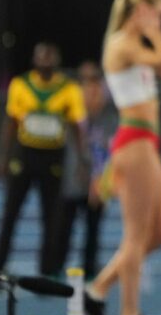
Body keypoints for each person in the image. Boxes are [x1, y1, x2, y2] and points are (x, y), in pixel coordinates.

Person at [84, 0, 161, 315]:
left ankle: (96, 291)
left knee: (158, 234)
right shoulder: (121, 44)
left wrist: (155, 35)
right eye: (155, 12)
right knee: (136, 235)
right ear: (140, 9)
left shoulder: (138, 45)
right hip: (134, 142)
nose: (159, 21)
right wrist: (156, 34)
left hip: (147, 142)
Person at [0, 42, 87, 285]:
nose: (45, 61)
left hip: (53, 157)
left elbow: (77, 128)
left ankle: (47, 272)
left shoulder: (69, 89)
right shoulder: (20, 85)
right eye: (41, 56)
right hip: (25, 155)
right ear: (34, 60)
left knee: (52, 218)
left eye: (50, 56)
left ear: (57, 60)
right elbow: (10, 123)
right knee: (10, 214)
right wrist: (3, 156)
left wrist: (83, 161)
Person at [49, 61, 115, 277]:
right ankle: (56, 266)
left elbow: (111, 153)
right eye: (87, 90)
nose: (92, 96)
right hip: (73, 180)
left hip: (98, 183)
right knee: (64, 227)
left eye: (96, 91)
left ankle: (89, 268)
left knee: (94, 229)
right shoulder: (71, 117)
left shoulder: (111, 120)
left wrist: (104, 181)